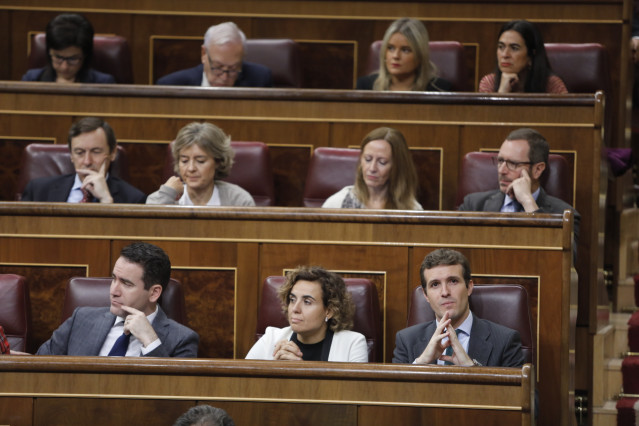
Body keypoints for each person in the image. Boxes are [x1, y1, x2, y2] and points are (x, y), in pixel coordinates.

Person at [37, 242, 199, 357]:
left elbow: (174, 394)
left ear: (154, 293)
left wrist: (150, 341)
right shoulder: (81, 319)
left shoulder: (182, 340)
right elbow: (40, 368)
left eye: (126, 284)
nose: (113, 291)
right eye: (114, 279)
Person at [393, 249, 524, 367]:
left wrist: (471, 369)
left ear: (469, 287)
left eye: (453, 281)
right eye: (435, 284)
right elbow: (391, 393)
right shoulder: (407, 341)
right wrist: (420, 364)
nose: (445, 292)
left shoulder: (505, 341)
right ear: (426, 295)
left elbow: (525, 394)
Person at [458, 128, 580, 252]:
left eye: (513, 163)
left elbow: (563, 261)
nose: (502, 170)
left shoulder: (564, 216)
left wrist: (528, 202)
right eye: (500, 161)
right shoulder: (473, 205)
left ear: (537, 169)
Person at [245, 266, 368, 362]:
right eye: (292, 300)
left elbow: (352, 393)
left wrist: (300, 370)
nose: (295, 309)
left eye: (307, 302)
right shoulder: (271, 338)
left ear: (329, 311)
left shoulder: (353, 344)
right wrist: (276, 369)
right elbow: (244, 385)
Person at [21, 117, 146, 204]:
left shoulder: (133, 199)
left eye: (96, 152)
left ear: (112, 153)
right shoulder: (38, 190)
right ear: (71, 155)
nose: (87, 161)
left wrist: (106, 201)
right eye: (79, 152)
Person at [146, 122, 255, 206]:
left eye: (200, 161)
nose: (191, 168)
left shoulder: (238, 200)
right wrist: (167, 195)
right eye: (184, 160)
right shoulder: (163, 197)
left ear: (218, 161)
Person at [322, 127, 422, 210]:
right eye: (368, 159)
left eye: (382, 162)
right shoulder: (337, 203)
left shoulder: (412, 209)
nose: (372, 168)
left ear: (397, 166)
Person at [156, 22, 272, 88]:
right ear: (204, 54)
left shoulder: (259, 80)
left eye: (233, 69)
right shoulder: (172, 85)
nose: (224, 77)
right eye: (218, 67)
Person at [356, 18, 451, 92]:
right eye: (391, 48)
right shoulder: (365, 86)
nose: (395, 56)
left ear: (420, 55)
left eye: (405, 50)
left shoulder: (440, 89)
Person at [22, 13, 115, 84]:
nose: (64, 67)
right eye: (58, 57)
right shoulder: (32, 79)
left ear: (85, 55)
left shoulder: (103, 83)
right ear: (49, 52)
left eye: (72, 59)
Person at [479, 20, 567, 94]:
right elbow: (488, 115)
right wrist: (502, 92)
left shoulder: (552, 85)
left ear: (531, 55)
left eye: (514, 48)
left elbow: (567, 114)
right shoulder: (489, 83)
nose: (505, 55)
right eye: (501, 47)